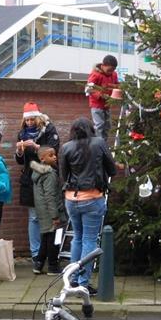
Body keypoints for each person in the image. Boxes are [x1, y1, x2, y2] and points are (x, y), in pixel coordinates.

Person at [58, 117, 117, 295]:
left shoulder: (66, 147)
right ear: (91, 129)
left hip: (71, 199)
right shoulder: (99, 143)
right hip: (92, 197)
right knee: (90, 240)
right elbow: (112, 169)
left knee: (77, 238)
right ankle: (84, 283)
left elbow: (64, 175)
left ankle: (73, 280)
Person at [15, 102, 60, 262]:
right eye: (27, 120)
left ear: (39, 118)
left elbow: (54, 151)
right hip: (30, 179)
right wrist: (19, 151)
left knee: (52, 215)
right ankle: (36, 255)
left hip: (47, 177)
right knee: (34, 217)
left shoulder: (49, 130)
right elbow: (21, 162)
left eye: (32, 120)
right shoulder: (22, 134)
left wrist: (35, 147)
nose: (29, 123)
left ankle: (51, 255)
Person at [30, 146, 67, 276]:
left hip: (42, 210)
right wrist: (55, 216)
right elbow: (50, 196)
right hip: (52, 212)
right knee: (55, 239)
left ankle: (39, 264)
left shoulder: (38, 172)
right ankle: (53, 265)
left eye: (55, 154)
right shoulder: (50, 174)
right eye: (51, 155)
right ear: (42, 159)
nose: (55, 157)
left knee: (46, 238)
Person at [86, 54, 119, 141]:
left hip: (107, 104)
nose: (110, 72)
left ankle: (103, 143)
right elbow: (89, 88)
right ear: (103, 65)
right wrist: (101, 95)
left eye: (113, 70)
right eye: (109, 70)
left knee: (107, 126)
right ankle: (97, 143)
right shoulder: (95, 75)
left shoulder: (114, 74)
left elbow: (116, 85)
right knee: (99, 125)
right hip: (97, 105)